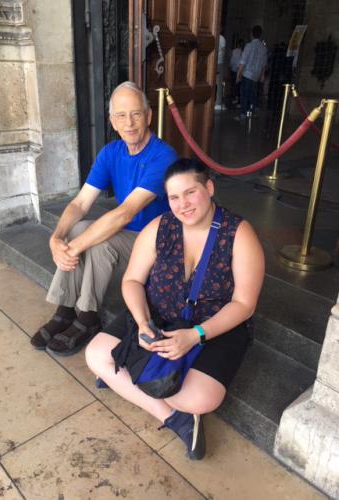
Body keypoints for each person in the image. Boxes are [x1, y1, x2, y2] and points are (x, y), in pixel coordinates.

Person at [86, 158, 265, 460]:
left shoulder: (239, 233)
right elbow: (131, 280)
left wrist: (196, 335)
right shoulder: (160, 227)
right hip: (158, 317)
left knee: (200, 398)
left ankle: (130, 379)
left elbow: (244, 304)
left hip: (213, 327)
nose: (183, 204)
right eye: (173, 197)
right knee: (94, 355)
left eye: (190, 192)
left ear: (209, 188)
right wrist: (143, 324)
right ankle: (173, 417)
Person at [30, 81, 177, 356]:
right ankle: (64, 310)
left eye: (136, 114)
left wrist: (72, 249)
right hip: (127, 233)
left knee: (98, 243)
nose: (129, 123)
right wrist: (57, 237)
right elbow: (80, 202)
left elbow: (125, 213)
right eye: (121, 115)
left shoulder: (163, 155)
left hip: (155, 241)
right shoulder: (111, 152)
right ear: (112, 120)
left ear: (148, 116)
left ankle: (87, 317)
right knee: (77, 229)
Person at [236, 25, 267, 121]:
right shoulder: (263, 48)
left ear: (251, 34)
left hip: (247, 74)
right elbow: (264, 64)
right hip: (256, 76)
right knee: (253, 95)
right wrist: (262, 75)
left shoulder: (249, 46)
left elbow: (243, 61)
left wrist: (238, 75)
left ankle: (243, 115)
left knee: (244, 95)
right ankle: (252, 112)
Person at [229, 39, 244, 105]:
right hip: (240, 70)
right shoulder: (243, 52)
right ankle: (237, 99)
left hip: (233, 69)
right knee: (238, 86)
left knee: (233, 85)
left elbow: (232, 61)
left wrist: (230, 66)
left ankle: (234, 98)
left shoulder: (234, 51)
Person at [214, 33, 227, 111]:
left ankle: (218, 103)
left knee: (218, 83)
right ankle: (216, 102)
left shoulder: (221, 38)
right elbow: (223, 51)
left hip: (218, 62)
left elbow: (222, 51)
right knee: (216, 82)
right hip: (217, 61)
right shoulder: (221, 38)